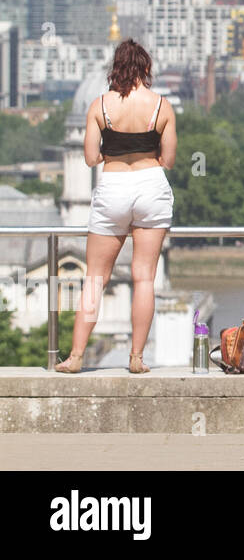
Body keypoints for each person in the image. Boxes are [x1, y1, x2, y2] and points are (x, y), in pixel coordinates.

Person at [57, 39, 177, 373]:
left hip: (112, 187)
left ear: (116, 69)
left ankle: (76, 357)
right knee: (144, 278)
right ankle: (136, 358)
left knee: (95, 278)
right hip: (151, 186)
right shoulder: (161, 107)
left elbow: (90, 157)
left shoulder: (99, 106)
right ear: (146, 69)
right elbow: (168, 160)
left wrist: (114, 152)